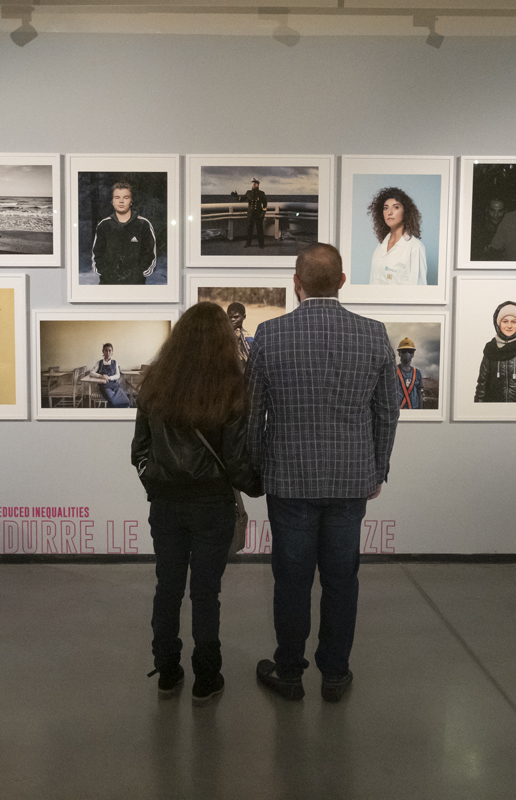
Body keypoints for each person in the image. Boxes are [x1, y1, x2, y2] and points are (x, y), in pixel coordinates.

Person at [247, 243, 399, 702]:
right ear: (342, 281)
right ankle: (335, 673)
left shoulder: (269, 335)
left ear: (296, 283)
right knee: (341, 579)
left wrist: (255, 470)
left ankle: (290, 672)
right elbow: (388, 411)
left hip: (288, 480)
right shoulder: (373, 334)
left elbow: (253, 415)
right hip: (351, 480)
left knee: (291, 580)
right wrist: (378, 468)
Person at [131, 302, 262, 705]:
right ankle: (207, 678)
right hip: (212, 506)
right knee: (206, 592)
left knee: (167, 588)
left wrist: (154, 483)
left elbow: (140, 450)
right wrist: (258, 487)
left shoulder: (155, 381)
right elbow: (237, 460)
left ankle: (167, 673)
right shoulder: (231, 387)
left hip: (166, 505)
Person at [91, 182, 157, 285]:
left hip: (135, 285)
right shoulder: (104, 225)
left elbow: (149, 255)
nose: (121, 201)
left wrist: (138, 274)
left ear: (131, 201)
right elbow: (97, 254)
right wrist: (106, 273)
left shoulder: (143, 224)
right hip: (108, 284)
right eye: (117, 197)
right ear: (112, 201)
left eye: (126, 197)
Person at [367, 187, 427, 285]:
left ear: (405, 212)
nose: (389, 212)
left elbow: (419, 290)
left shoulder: (415, 247)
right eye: (386, 208)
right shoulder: (381, 246)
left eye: (396, 207)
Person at [89, 343, 131, 408]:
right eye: (106, 350)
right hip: (105, 386)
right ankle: (119, 407)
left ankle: (114, 410)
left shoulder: (115, 362)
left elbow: (117, 375)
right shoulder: (99, 363)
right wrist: (101, 376)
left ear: (112, 352)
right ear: (103, 351)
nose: (108, 353)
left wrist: (109, 377)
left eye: (110, 350)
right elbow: (91, 372)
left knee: (125, 400)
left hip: (115, 385)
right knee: (112, 399)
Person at [235, 178, 268, 248]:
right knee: (249, 230)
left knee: (260, 230)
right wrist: (236, 196)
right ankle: (248, 243)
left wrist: (263, 213)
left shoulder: (261, 194)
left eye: (255, 183)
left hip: (258, 214)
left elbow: (265, 204)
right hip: (250, 215)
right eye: (253, 183)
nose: (253, 184)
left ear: (258, 185)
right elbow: (242, 199)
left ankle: (261, 244)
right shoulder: (248, 193)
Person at [394, 338, 422, 410]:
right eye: (404, 351)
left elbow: (419, 394)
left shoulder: (417, 373)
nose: (407, 354)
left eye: (410, 351)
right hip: (398, 411)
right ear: (399, 353)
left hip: (413, 411)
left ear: (413, 354)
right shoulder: (393, 371)